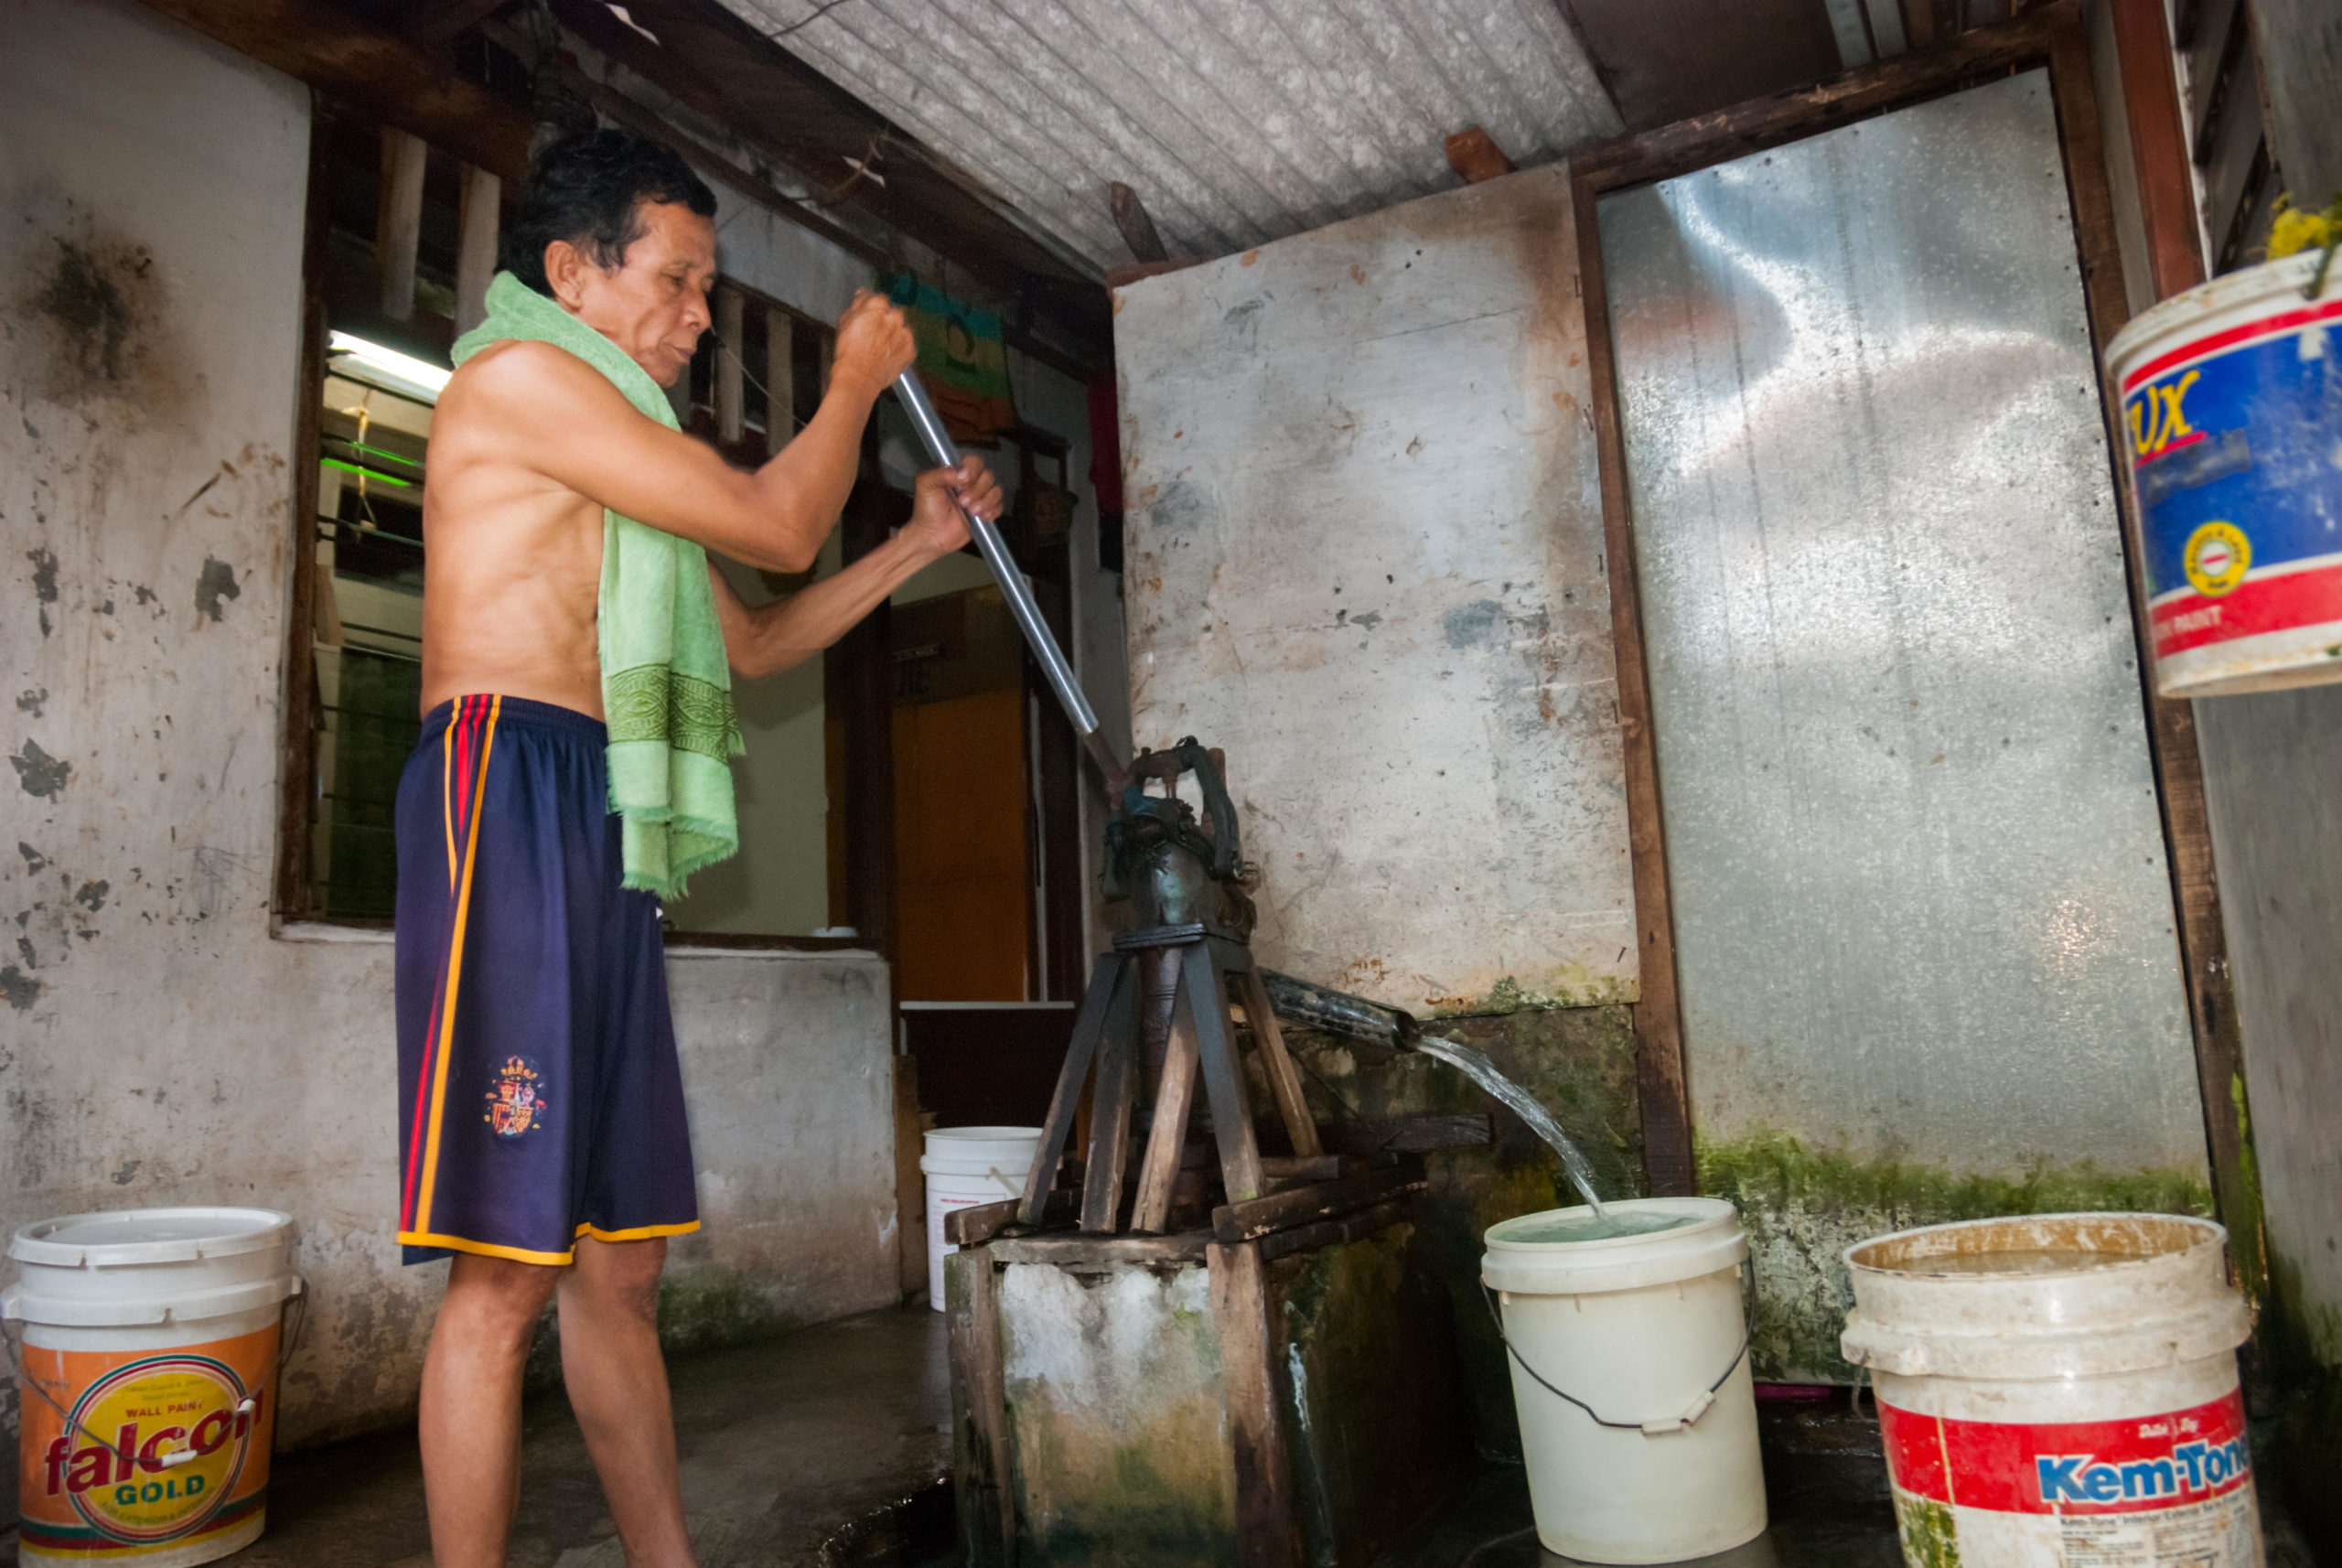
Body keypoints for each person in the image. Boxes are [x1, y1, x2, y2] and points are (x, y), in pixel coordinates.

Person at [394, 128, 1000, 1568]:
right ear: (572, 273)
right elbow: (780, 523)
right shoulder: (518, 381)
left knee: (621, 1268)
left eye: (706, 286)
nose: (699, 313)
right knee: (503, 1277)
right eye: (675, 278)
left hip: (600, 809)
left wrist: (914, 547)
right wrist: (852, 383)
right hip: (506, 783)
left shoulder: (620, 458)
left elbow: (758, 640)